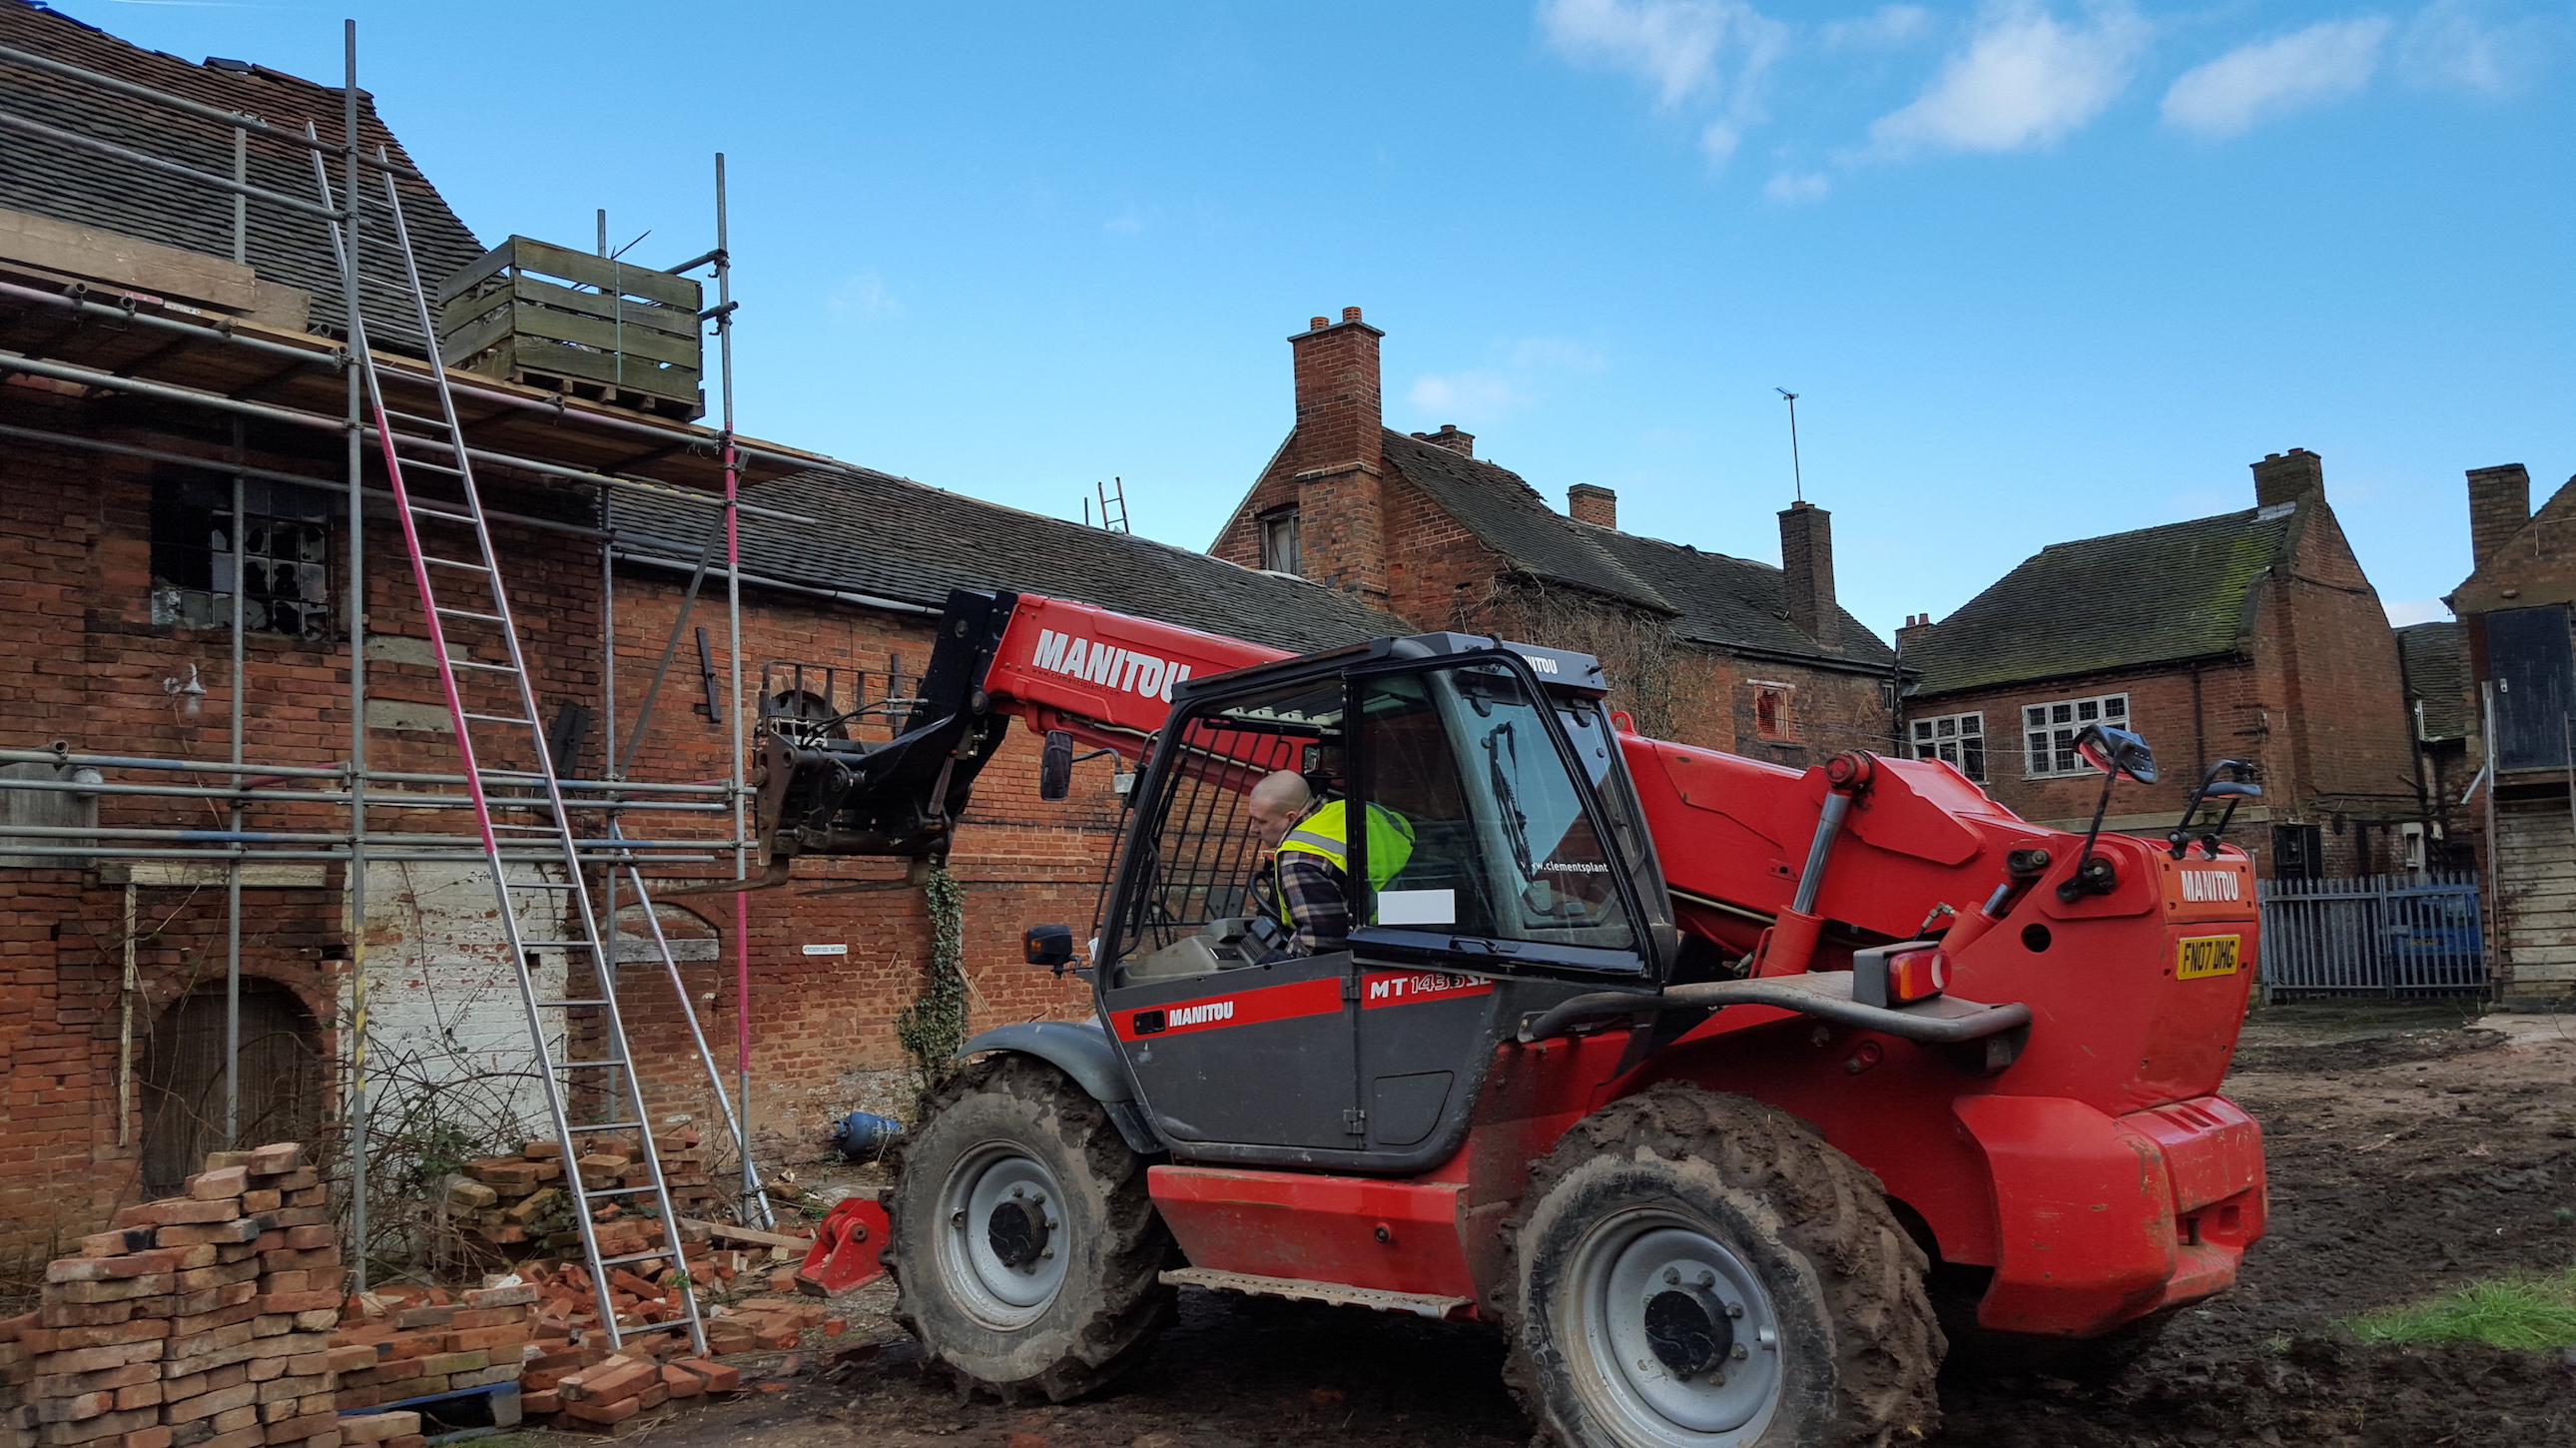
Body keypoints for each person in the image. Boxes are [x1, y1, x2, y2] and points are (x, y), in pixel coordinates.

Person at [1246, 768, 1415, 956]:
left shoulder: (1299, 857)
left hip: (1367, 950)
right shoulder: (1362, 811)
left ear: (1291, 817)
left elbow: (1320, 942)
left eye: (1261, 821)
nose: (1253, 829)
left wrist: (1278, 967)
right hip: (1404, 934)